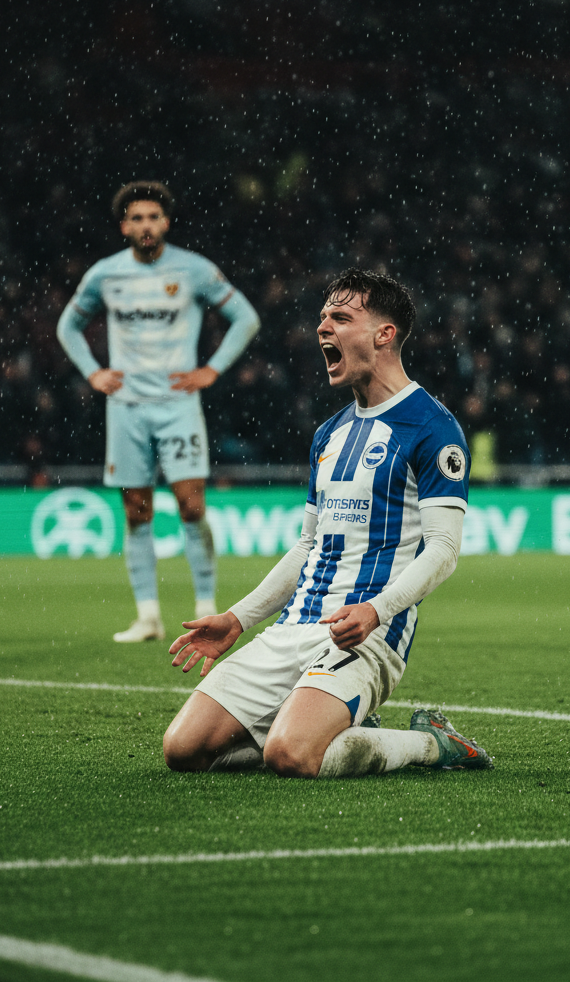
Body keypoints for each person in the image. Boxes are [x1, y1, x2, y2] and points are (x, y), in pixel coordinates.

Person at [162, 269, 492, 777]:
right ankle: (328, 721)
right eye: (322, 317)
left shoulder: (432, 428)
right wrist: (238, 619)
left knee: (291, 756)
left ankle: (430, 743)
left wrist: (377, 611)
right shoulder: (328, 434)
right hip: (292, 627)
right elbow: (306, 547)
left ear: (384, 335)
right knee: (183, 751)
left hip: (367, 635)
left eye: (340, 317)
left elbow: (444, 550)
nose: (322, 327)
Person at [56, 181, 261, 642]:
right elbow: (68, 326)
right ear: (124, 226)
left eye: (153, 217)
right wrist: (93, 373)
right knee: (137, 511)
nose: (146, 226)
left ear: (166, 222)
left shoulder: (194, 269)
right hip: (126, 408)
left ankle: (206, 606)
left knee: (191, 506)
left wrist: (211, 369)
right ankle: (147, 617)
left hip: (177, 405)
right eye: (137, 218)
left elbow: (246, 318)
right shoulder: (105, 274)